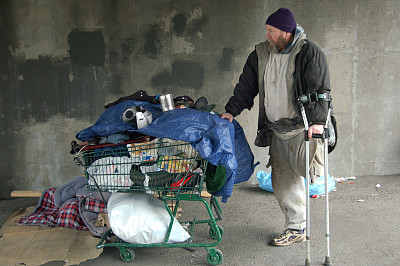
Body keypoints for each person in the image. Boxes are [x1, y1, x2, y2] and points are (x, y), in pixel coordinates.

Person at [221, 7, 331, 246]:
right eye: (267, 30)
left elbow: (320, 90)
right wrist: (231, 110)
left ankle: (301, 215)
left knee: (307, 172)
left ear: (286, 32)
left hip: (302, 127)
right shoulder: (261, 54)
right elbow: (246, 85)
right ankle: (296, 228)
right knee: (283, 178)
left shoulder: (309, 53)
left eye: (271, 31)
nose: (267, 35)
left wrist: (317, 122)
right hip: (276, 129)